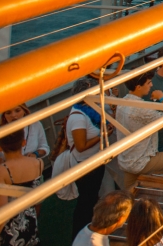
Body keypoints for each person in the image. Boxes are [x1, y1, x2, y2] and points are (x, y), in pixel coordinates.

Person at [67, 78, 115, 236]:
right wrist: (103, 135)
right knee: (85, 202)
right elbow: (81, 147)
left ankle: (87, 231)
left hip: (95, 162)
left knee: (91, 198)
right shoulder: (78, 117)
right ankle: (79, 233)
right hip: (85, 166)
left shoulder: (91, 112)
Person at [0, 131, 44, 245]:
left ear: (0, 148)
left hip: (10, 231)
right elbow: (38, 199)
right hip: (31, 223)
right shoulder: (38, 163)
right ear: (24, 142)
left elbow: (3, 212)